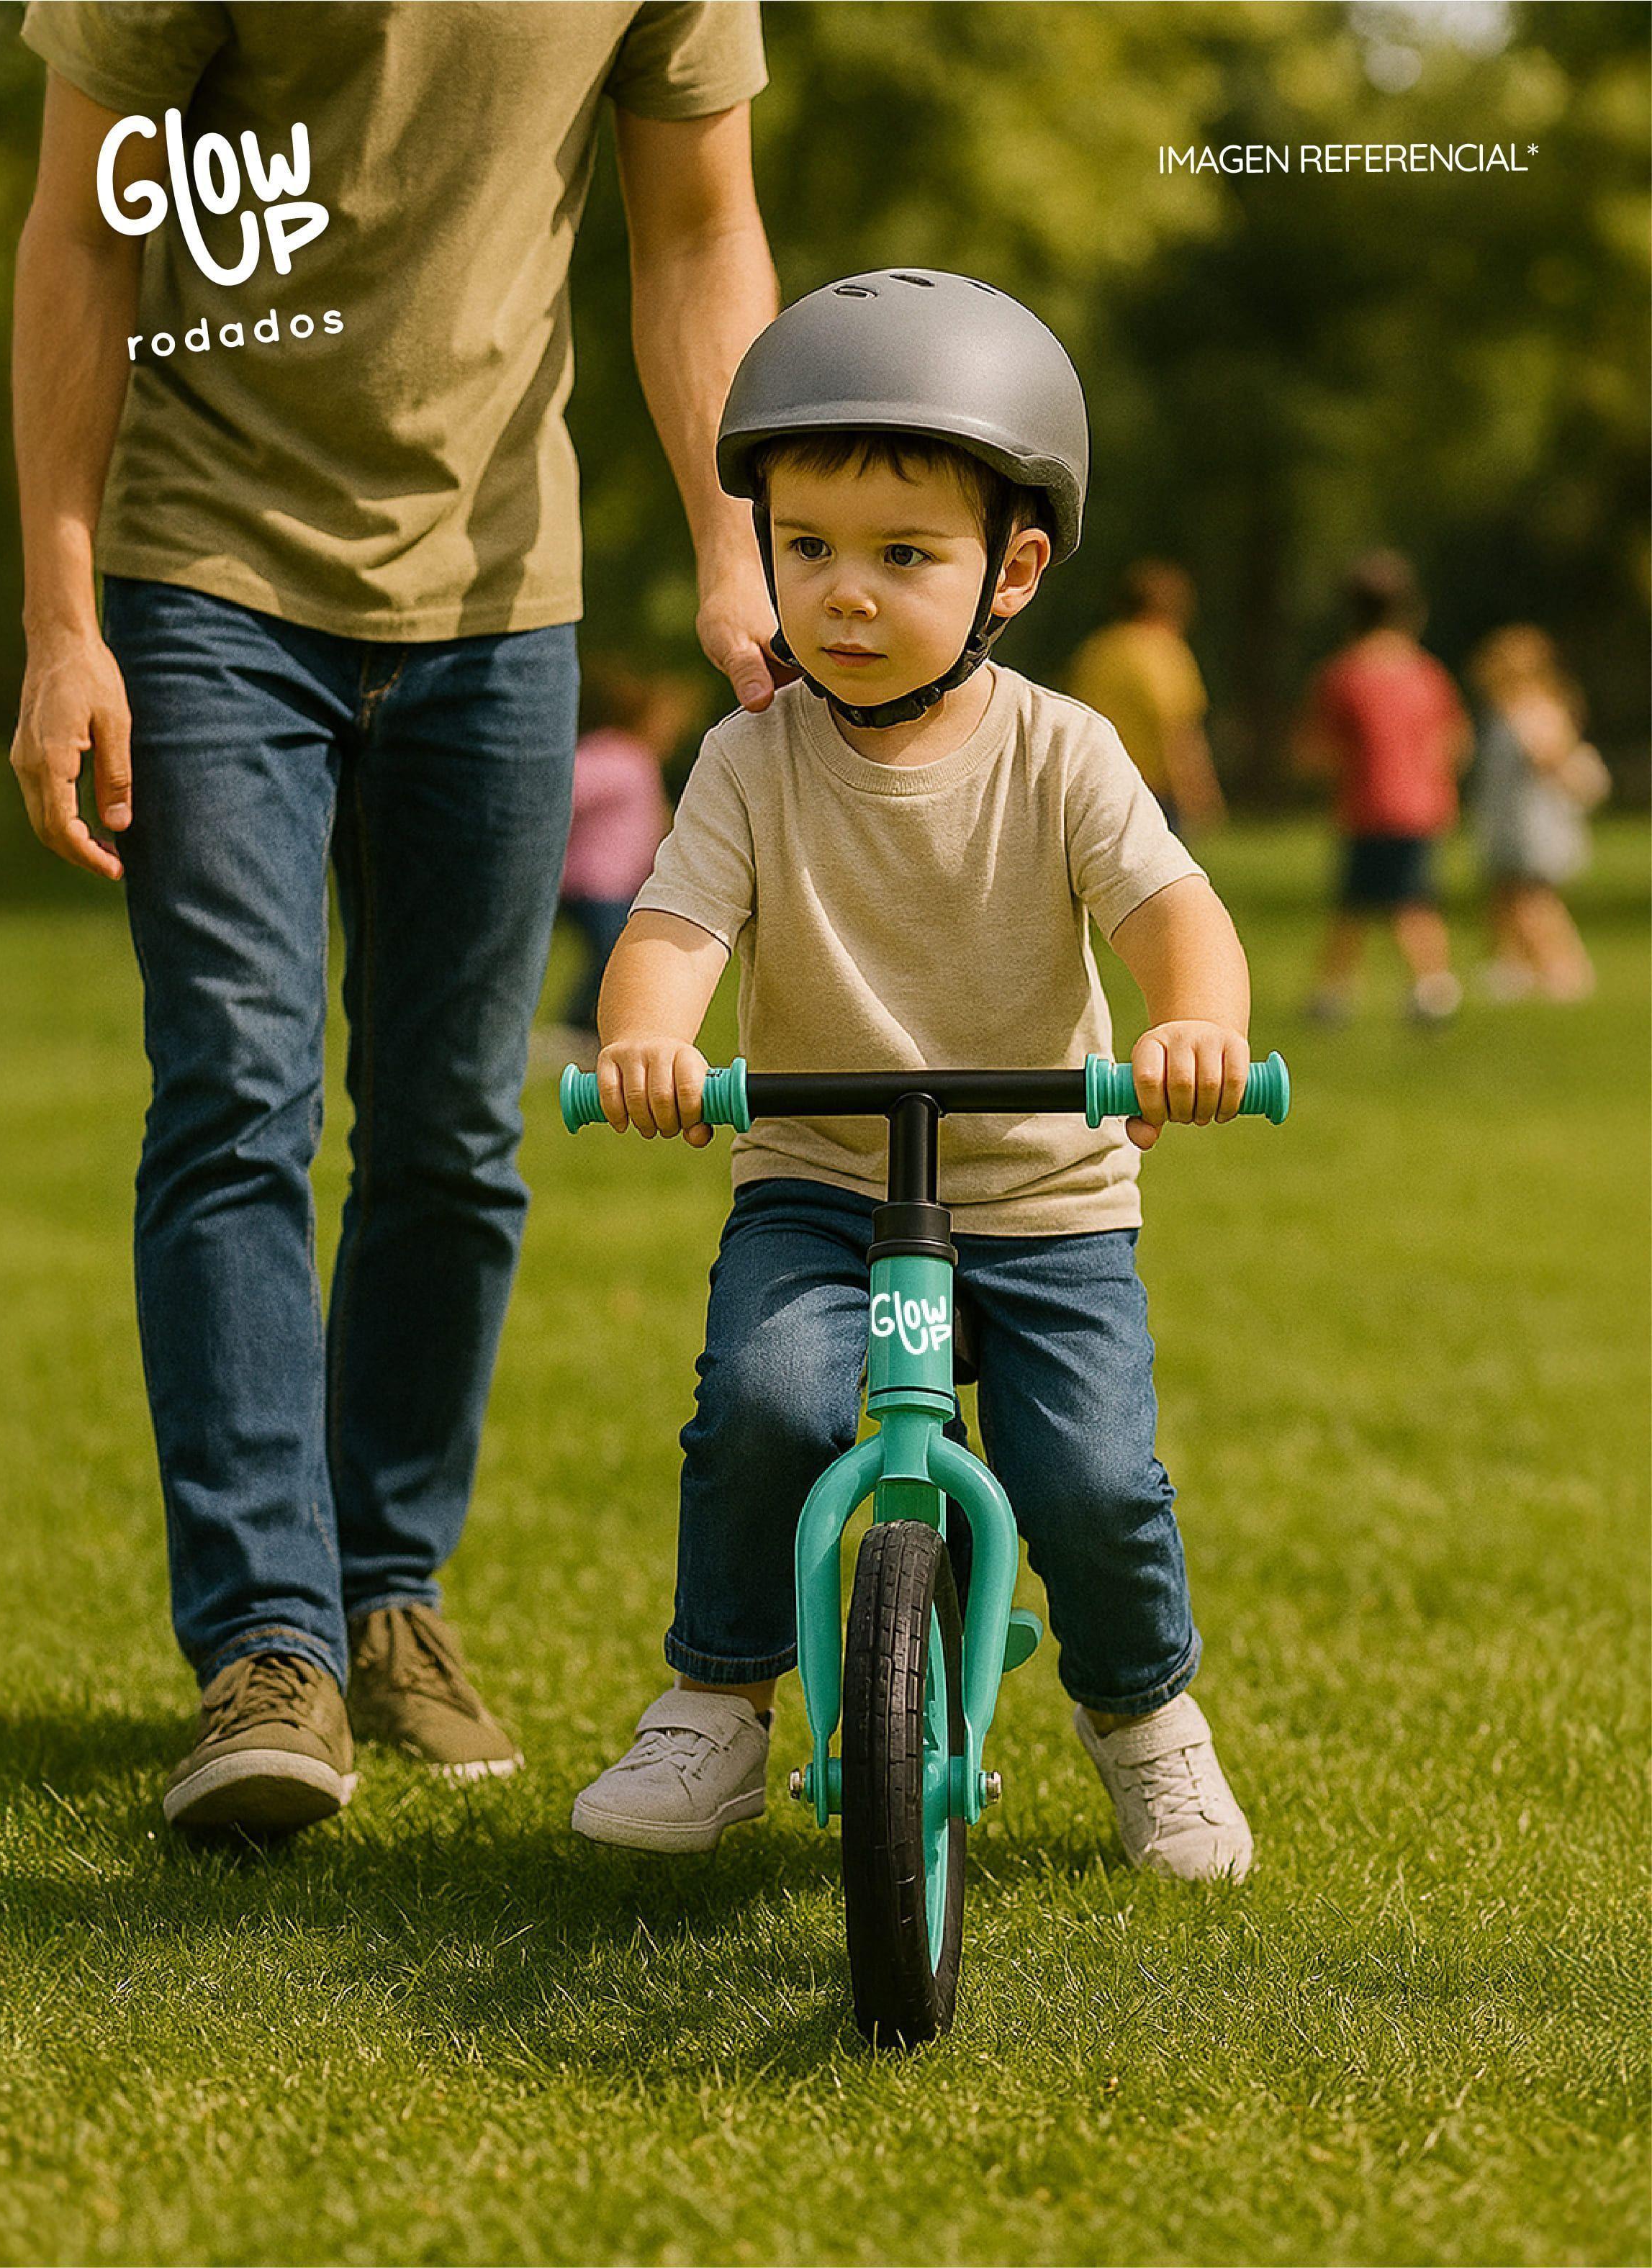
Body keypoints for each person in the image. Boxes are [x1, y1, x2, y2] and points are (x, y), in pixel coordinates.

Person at [7, 3, 780, 1834]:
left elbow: (697, 229)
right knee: (236, 1094)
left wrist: (733, 539)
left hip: (501, 599)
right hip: (208, 572)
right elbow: (86, 226)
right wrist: (62, 621)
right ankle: (266, 1641)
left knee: (451, 1133)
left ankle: (385, 1593)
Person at [568, 271, 1258, 1882]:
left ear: (1009, 569)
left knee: (1093, 1479)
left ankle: (1144, 1720)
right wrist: (647, 1038)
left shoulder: (1060, 750)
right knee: (762, 1407)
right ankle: (716, 1701)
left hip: (1045, 1196)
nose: (844, 595)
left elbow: (1177, 917)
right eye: (806, 548)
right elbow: (670, 928)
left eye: (902, 556)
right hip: (817, 1186)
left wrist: (1190, 1025)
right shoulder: (748, 758)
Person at [1294, 551, 1472, 1024]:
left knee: (1378, 903)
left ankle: (1426, 988)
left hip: (1368, 806)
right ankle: (1361, 989)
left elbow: (1317, 751)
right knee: (1399, 898)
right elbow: (1455, 741)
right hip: (1421, 807)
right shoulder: (1427, 673)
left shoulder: (1343, 675)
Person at [547, 664, 695, 1068]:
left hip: (618, 883)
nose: (671, 735)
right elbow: (565, 792)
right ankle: (580, 1028)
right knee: (612, 952)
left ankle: (588, 1028)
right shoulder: (618, 754)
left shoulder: (638, 759)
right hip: (594, 881)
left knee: (611, 952)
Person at [1467, 625, 1606, 1003]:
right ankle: (1517, 967)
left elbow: (1552, 758)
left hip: (1533, 822)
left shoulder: (1535, 710)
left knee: (1532, 900)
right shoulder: (1506, 711)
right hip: (1509, 820)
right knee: (1507, 897)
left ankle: (1563, 971)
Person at [1065, 559, 1226, 833]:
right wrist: (1198, 793)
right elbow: (1178, 731)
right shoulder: (1163, 651)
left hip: (1092, 789)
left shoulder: (1095, 651)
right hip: (1152, 794)